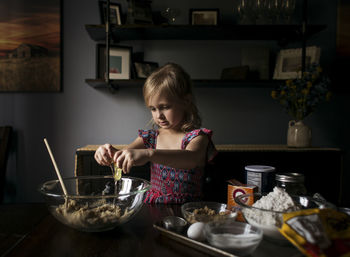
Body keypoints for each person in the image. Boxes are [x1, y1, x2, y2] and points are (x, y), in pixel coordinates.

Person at [94, 63, 217, 204]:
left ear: (186, 101)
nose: (159, 115)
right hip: (153, 207)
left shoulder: (197, 137)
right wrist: (108, 153)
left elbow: (191, 159)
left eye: (165, 107)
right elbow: (123, 155)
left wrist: (149, 154)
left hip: (188, 209)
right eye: (153, 109)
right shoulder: (150, 138)